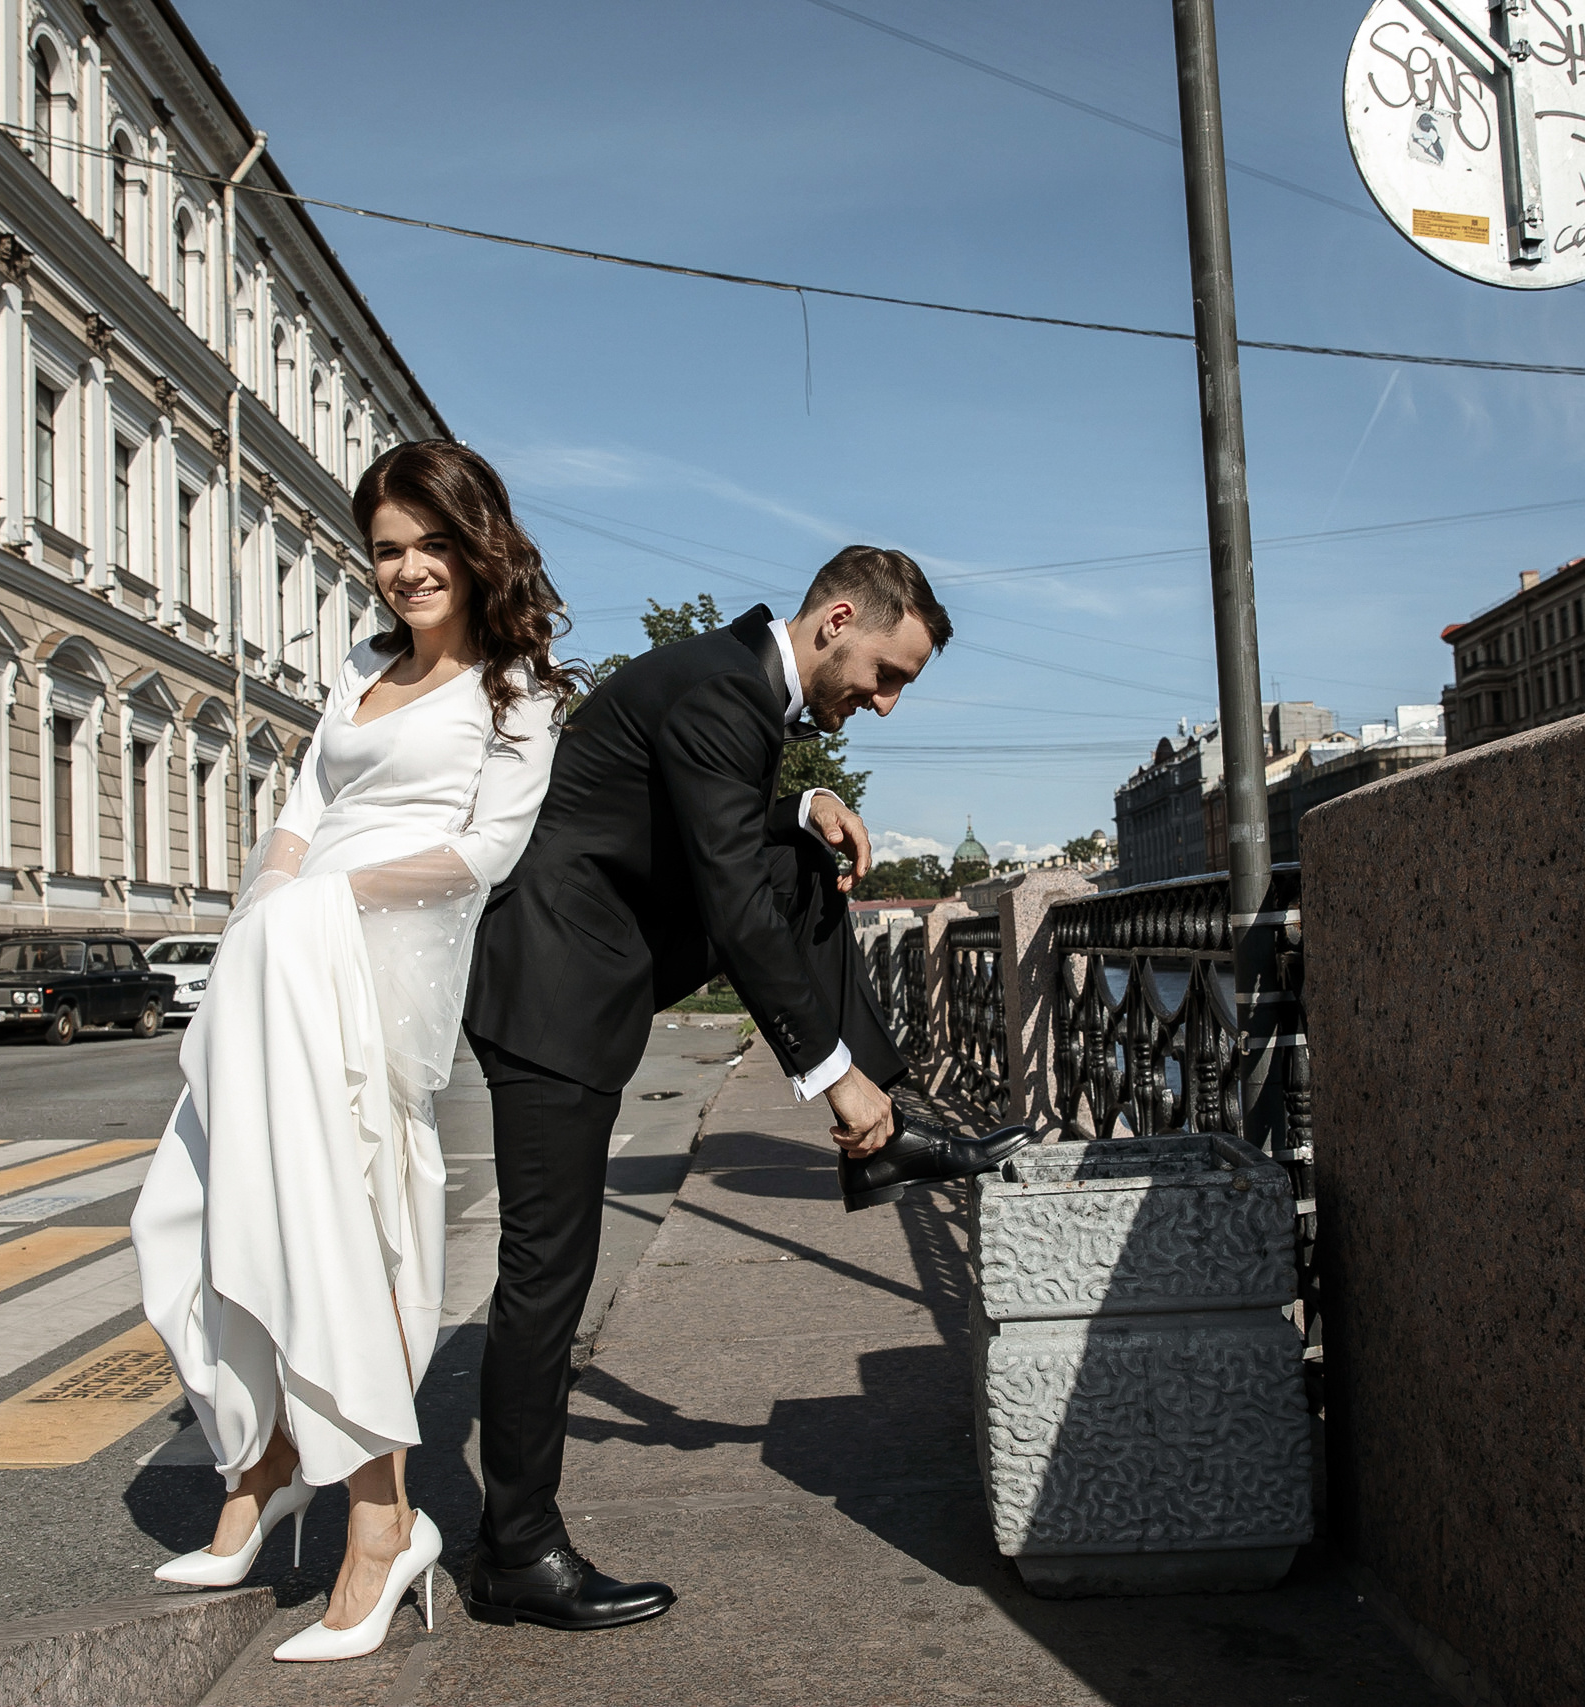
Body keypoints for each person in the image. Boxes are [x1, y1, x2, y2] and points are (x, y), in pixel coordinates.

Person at [456, 548, 1034, 1630]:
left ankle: (884, 1138)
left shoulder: (731, 682)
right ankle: (515, 1551)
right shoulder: (721, 688)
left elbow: (705, 825)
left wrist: (803, 800)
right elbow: (726, 900)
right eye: (885, 672)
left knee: (798, 860)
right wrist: (834, 1081)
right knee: (545, 1279)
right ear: (839, 618)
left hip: (590, 966)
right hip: (549, 990)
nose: (887, 702)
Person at [130, 441, 582, 1663]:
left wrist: (325, 909)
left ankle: (382, 1527)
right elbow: (300, 809)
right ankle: (268, 1457)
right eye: (386, 549)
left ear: (475, 539)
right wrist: (266, 912)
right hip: (279, 957)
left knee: (341, 1234)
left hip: (371, 972)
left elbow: (482, 854)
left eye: (430, 542)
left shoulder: (519, 691)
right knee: (201, 1209)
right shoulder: (357, 667)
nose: (407, 569)